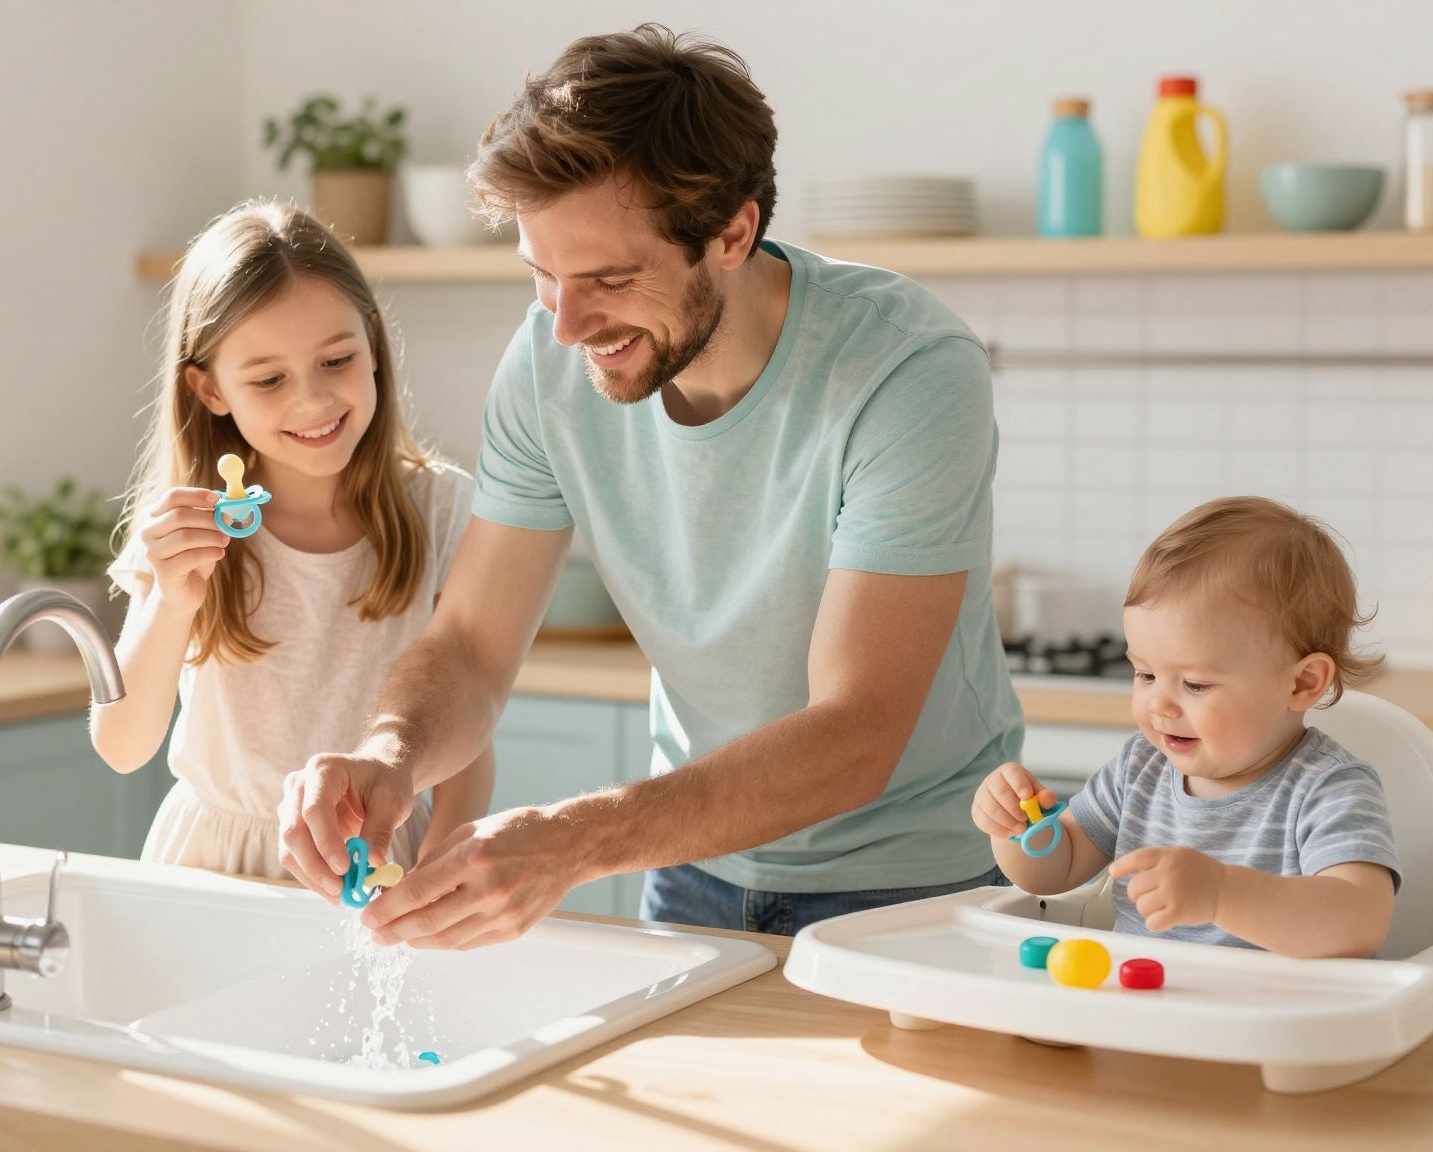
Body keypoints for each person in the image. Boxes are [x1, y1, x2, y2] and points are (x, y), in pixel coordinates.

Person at [279, 25, 1023, 945]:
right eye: (542, 276)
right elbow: (472, 642)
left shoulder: (905, 371)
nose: (566, 326)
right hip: (688, 873)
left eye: (608, 280)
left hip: (914, 888)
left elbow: (854, 733)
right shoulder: (550, 362)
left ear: (733, 233)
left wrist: (568, 840)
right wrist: (388, 755)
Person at [90, 199, 493, 879]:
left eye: (336, 360)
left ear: (373, 346)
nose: (313, 400)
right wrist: (171, 602)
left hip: (382, 855)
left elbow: (468, 731)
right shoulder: (182, 525)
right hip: (215, 866)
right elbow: (122, 747)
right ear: (209, 390)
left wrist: (440, 863)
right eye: (269, 379)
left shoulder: (444, 511)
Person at [974, 497, 1400, 958]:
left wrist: (1222, 894)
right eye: (1145, 674)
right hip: (1144, 1015)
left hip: (1270, 1021)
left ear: (1302, 683)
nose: (1158, 703)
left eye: (1195, 684)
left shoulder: (1328, 788)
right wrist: (1016, 828)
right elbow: (1056, 871)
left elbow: (1358, 924)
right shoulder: (1141, 767)